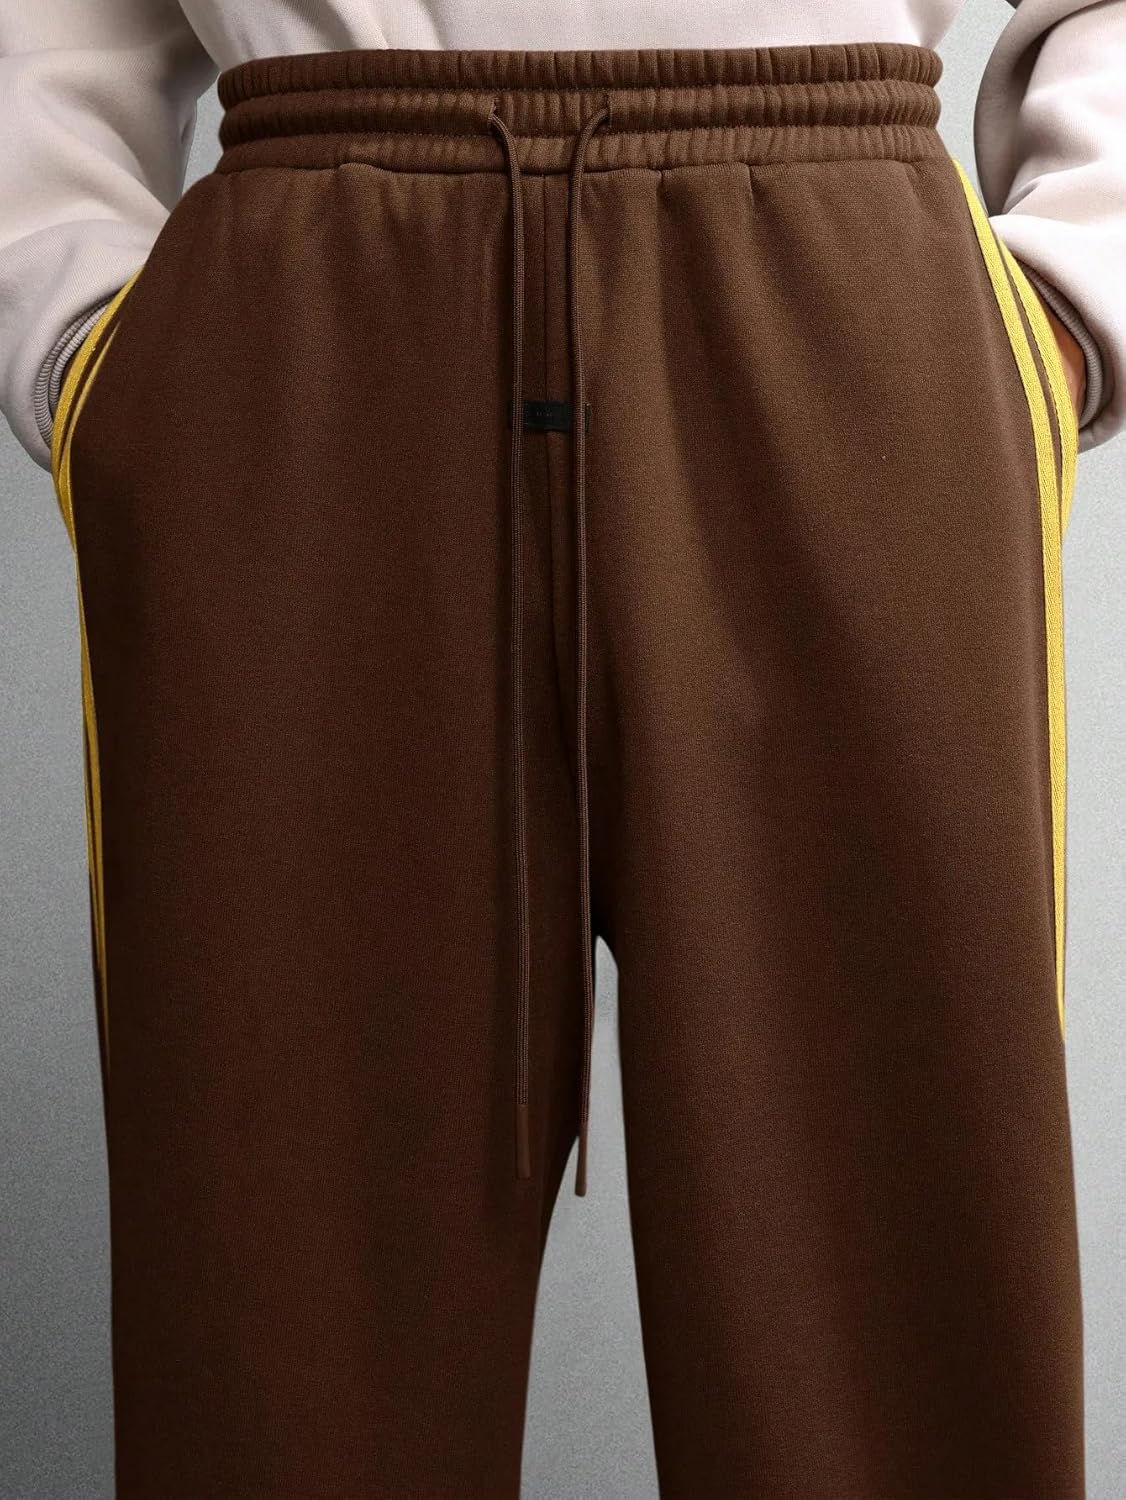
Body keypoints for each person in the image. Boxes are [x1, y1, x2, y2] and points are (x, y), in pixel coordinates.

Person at [0, 5, 1122, 1498]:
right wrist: (76, 334)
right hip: (315, 316)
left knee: (897, 1318)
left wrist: (1071, 299)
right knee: (280, 1328)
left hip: (837, 289)